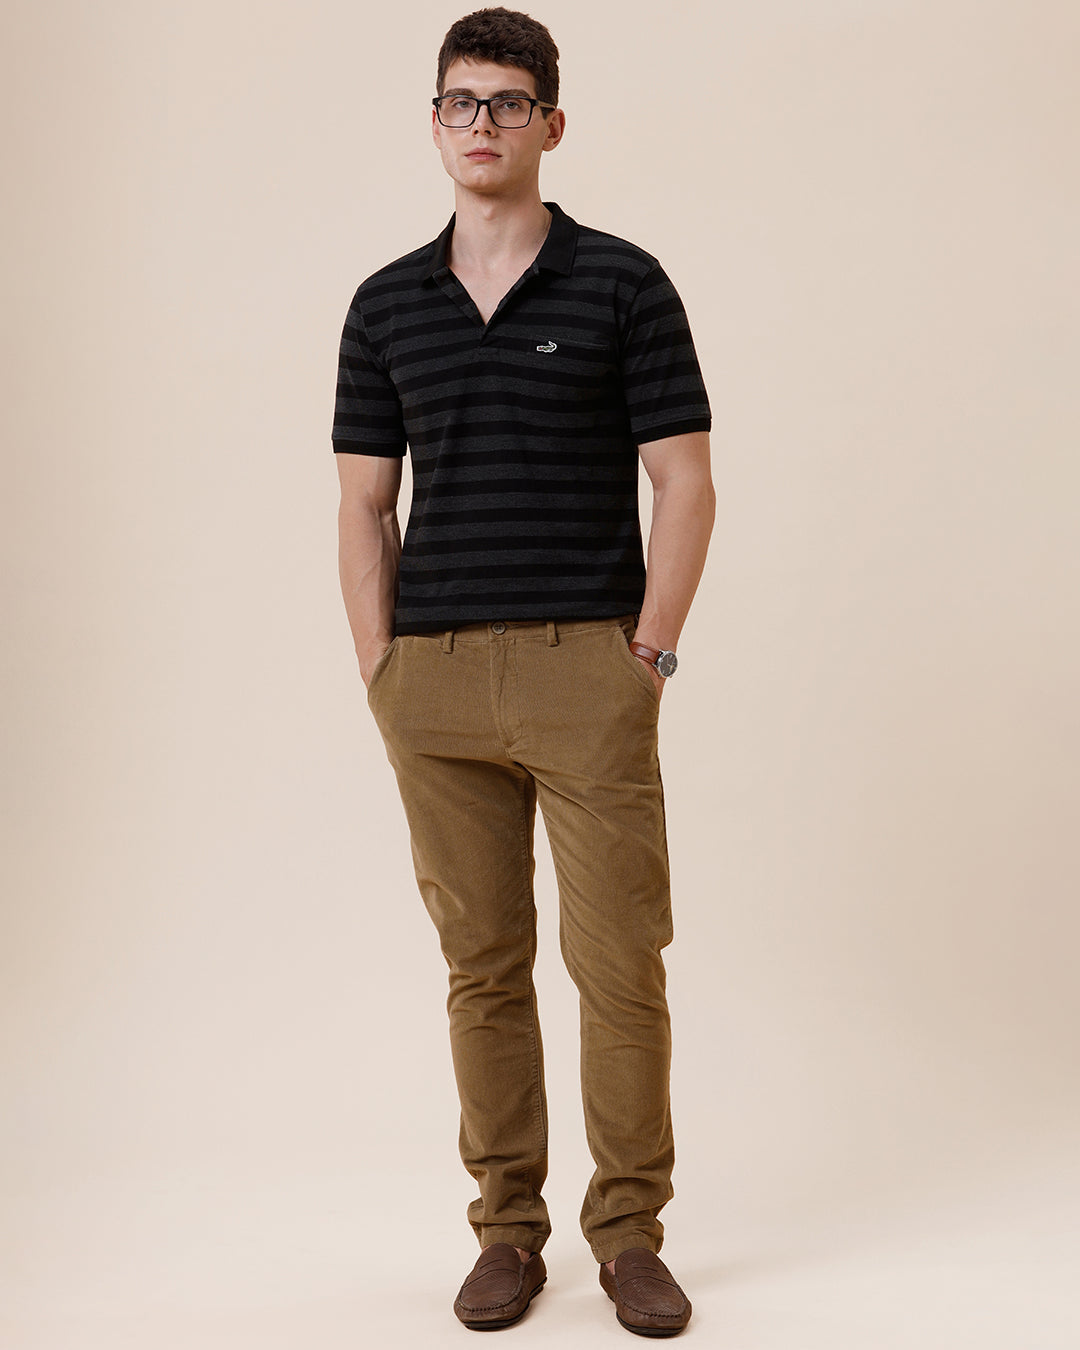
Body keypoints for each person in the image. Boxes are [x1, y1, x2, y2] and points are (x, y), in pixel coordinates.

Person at [332, 7, 714, 1336]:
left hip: (584, 667)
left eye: (505, 101)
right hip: (434, 682)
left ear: (552, 123)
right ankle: (507, 1230)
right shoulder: (385, 303)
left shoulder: (623, 283)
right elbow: (363, 502)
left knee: (620, 964)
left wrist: (647, 653)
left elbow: (684, 481)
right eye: (459, 102)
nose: (480, 122)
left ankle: (630, 1236)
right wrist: (383, 669)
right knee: (482, 968)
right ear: (435, 124)